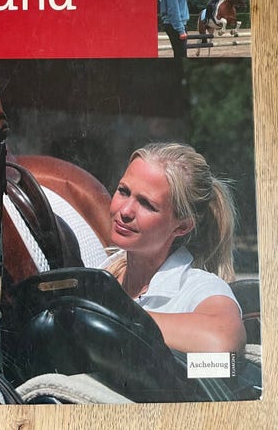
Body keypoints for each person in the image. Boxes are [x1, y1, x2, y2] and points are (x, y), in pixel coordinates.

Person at [102, 142, 246, 354]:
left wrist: (111, 315)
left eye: (146, 204)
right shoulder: (102, 273)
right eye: (123, 191)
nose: (125, 210)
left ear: (182, 227)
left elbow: (224, 342)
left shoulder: (199, 287)